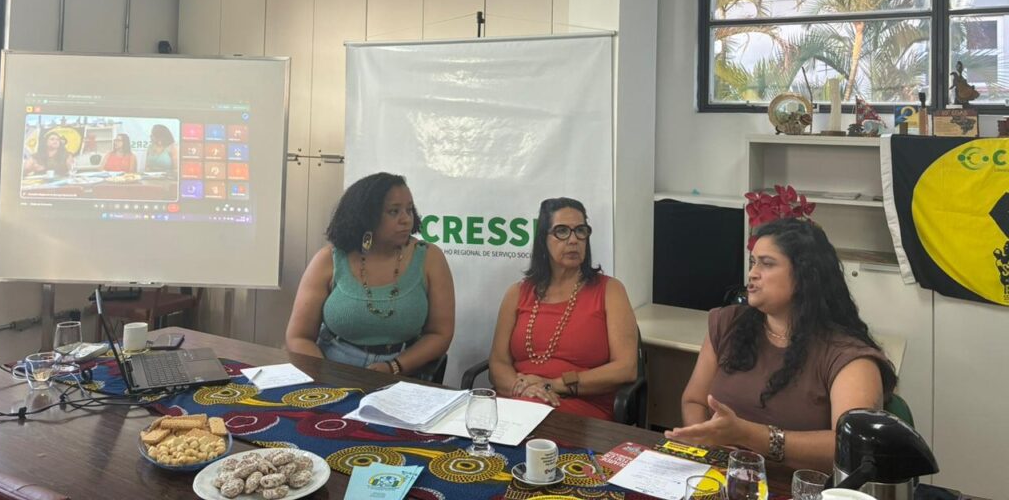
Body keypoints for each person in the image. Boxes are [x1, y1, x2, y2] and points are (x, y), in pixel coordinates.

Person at [668, 217, 897, 473]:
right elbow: (694, 401)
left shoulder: (849, 356)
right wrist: (709, 450)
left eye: (766, 264)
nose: (752, 273)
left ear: (804, 275)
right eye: (753, 262)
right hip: (721, 475)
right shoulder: (728, 323)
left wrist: (749, 435)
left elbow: (851, 447)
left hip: (800, 488)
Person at [285, 172, 455, 377]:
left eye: (409, 210)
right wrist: (325, 377)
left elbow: (440, 334)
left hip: (404, 370)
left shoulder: (430, 257)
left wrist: (394, 366)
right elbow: (298, 337)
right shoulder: (329, 259)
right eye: (394, 212)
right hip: (333, 367)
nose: (406, 219)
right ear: (365, 217)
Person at [487, 197, 638, 420]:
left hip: (578, 404)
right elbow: (498, 363)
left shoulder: (610, 290)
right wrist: (524, 389)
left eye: (580, 231)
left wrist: (554, 385)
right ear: (543, 239)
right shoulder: (517, 293)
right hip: (518, 400)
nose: (573, 240)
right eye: (561, 231)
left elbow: (626, 368)